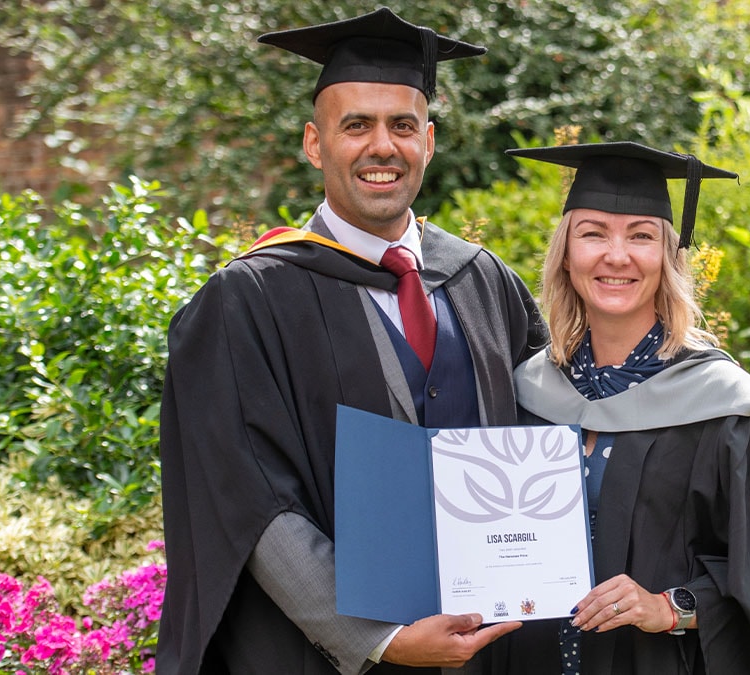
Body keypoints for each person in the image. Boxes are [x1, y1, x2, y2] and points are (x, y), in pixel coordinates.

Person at [155, 8, 547, 674]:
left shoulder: (483, 281)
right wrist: (382, 636)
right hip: (329, 656)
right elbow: (246, 495)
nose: (382, 147)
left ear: (429, 140)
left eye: (402, 125)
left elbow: (547, 439)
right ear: (315, 143)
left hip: (491, 648)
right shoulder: (248, 298)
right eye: (356, 125)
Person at [491, 142, 750, 674]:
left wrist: (666, 607)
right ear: (565, 252)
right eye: (593, 232)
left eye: (642, 236)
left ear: (670, 257)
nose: (617, 255)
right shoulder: (526, 392)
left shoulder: (727, 411)